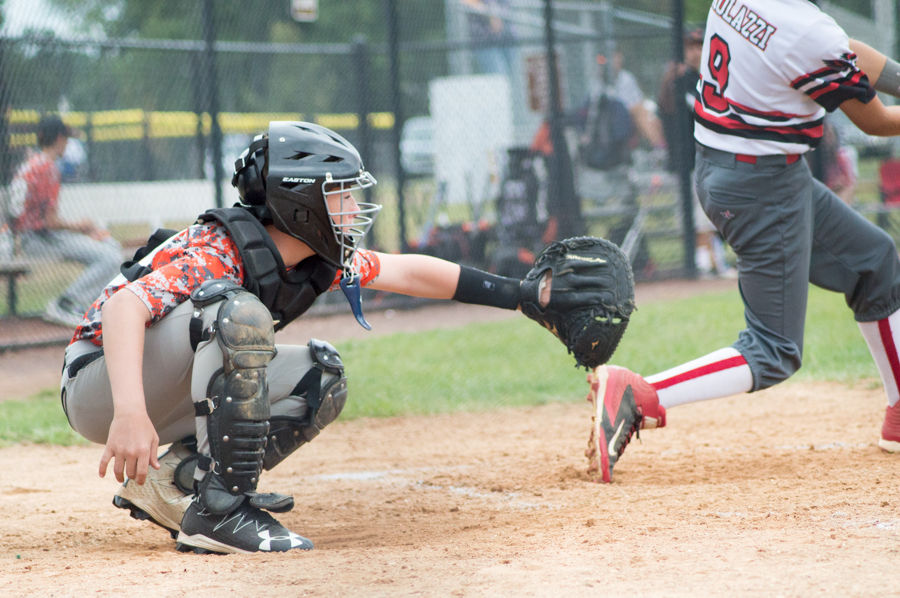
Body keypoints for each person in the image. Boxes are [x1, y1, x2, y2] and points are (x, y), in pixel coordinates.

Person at [60, 121, 553, 554]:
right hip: (98, 383)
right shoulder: (221, 249)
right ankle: (220, 512)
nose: (354, 205)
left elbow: (408, 272)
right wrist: (129, 412)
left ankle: (178, 482)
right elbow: (124, 308)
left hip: (151, 380)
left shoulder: (308, 255)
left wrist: (524, 295)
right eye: (341, 192)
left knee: (321, 379)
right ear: (301, 203)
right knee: (237, 315)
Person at [587, 0, 900, 483]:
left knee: (873, 260)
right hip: (764, 186)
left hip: (732, 167)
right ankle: (639, 393)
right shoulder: (809, 32)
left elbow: (843, 50)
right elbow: (874, 121)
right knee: (774, 348)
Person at [9, 114, 121, 327]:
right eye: (67, 139)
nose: (68, 144)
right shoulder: (48, 168)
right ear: (59, 139)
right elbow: (50, 222)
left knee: (109, 247)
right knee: (110, 256)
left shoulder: (32, 163)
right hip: (37, 241)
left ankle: (83, 306)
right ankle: (66, 303)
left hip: (26, 238)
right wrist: (81, 227)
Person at [658, 26, 734, 278]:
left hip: (710, 160)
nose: (695, 52)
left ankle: (712, 264)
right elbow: (670, 110)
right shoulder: (679, 82)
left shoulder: (713, 79)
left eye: (700, 47)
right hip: (686, 162)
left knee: (711, 216)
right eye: (690, 47)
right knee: (696, 218)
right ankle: (706, 265)